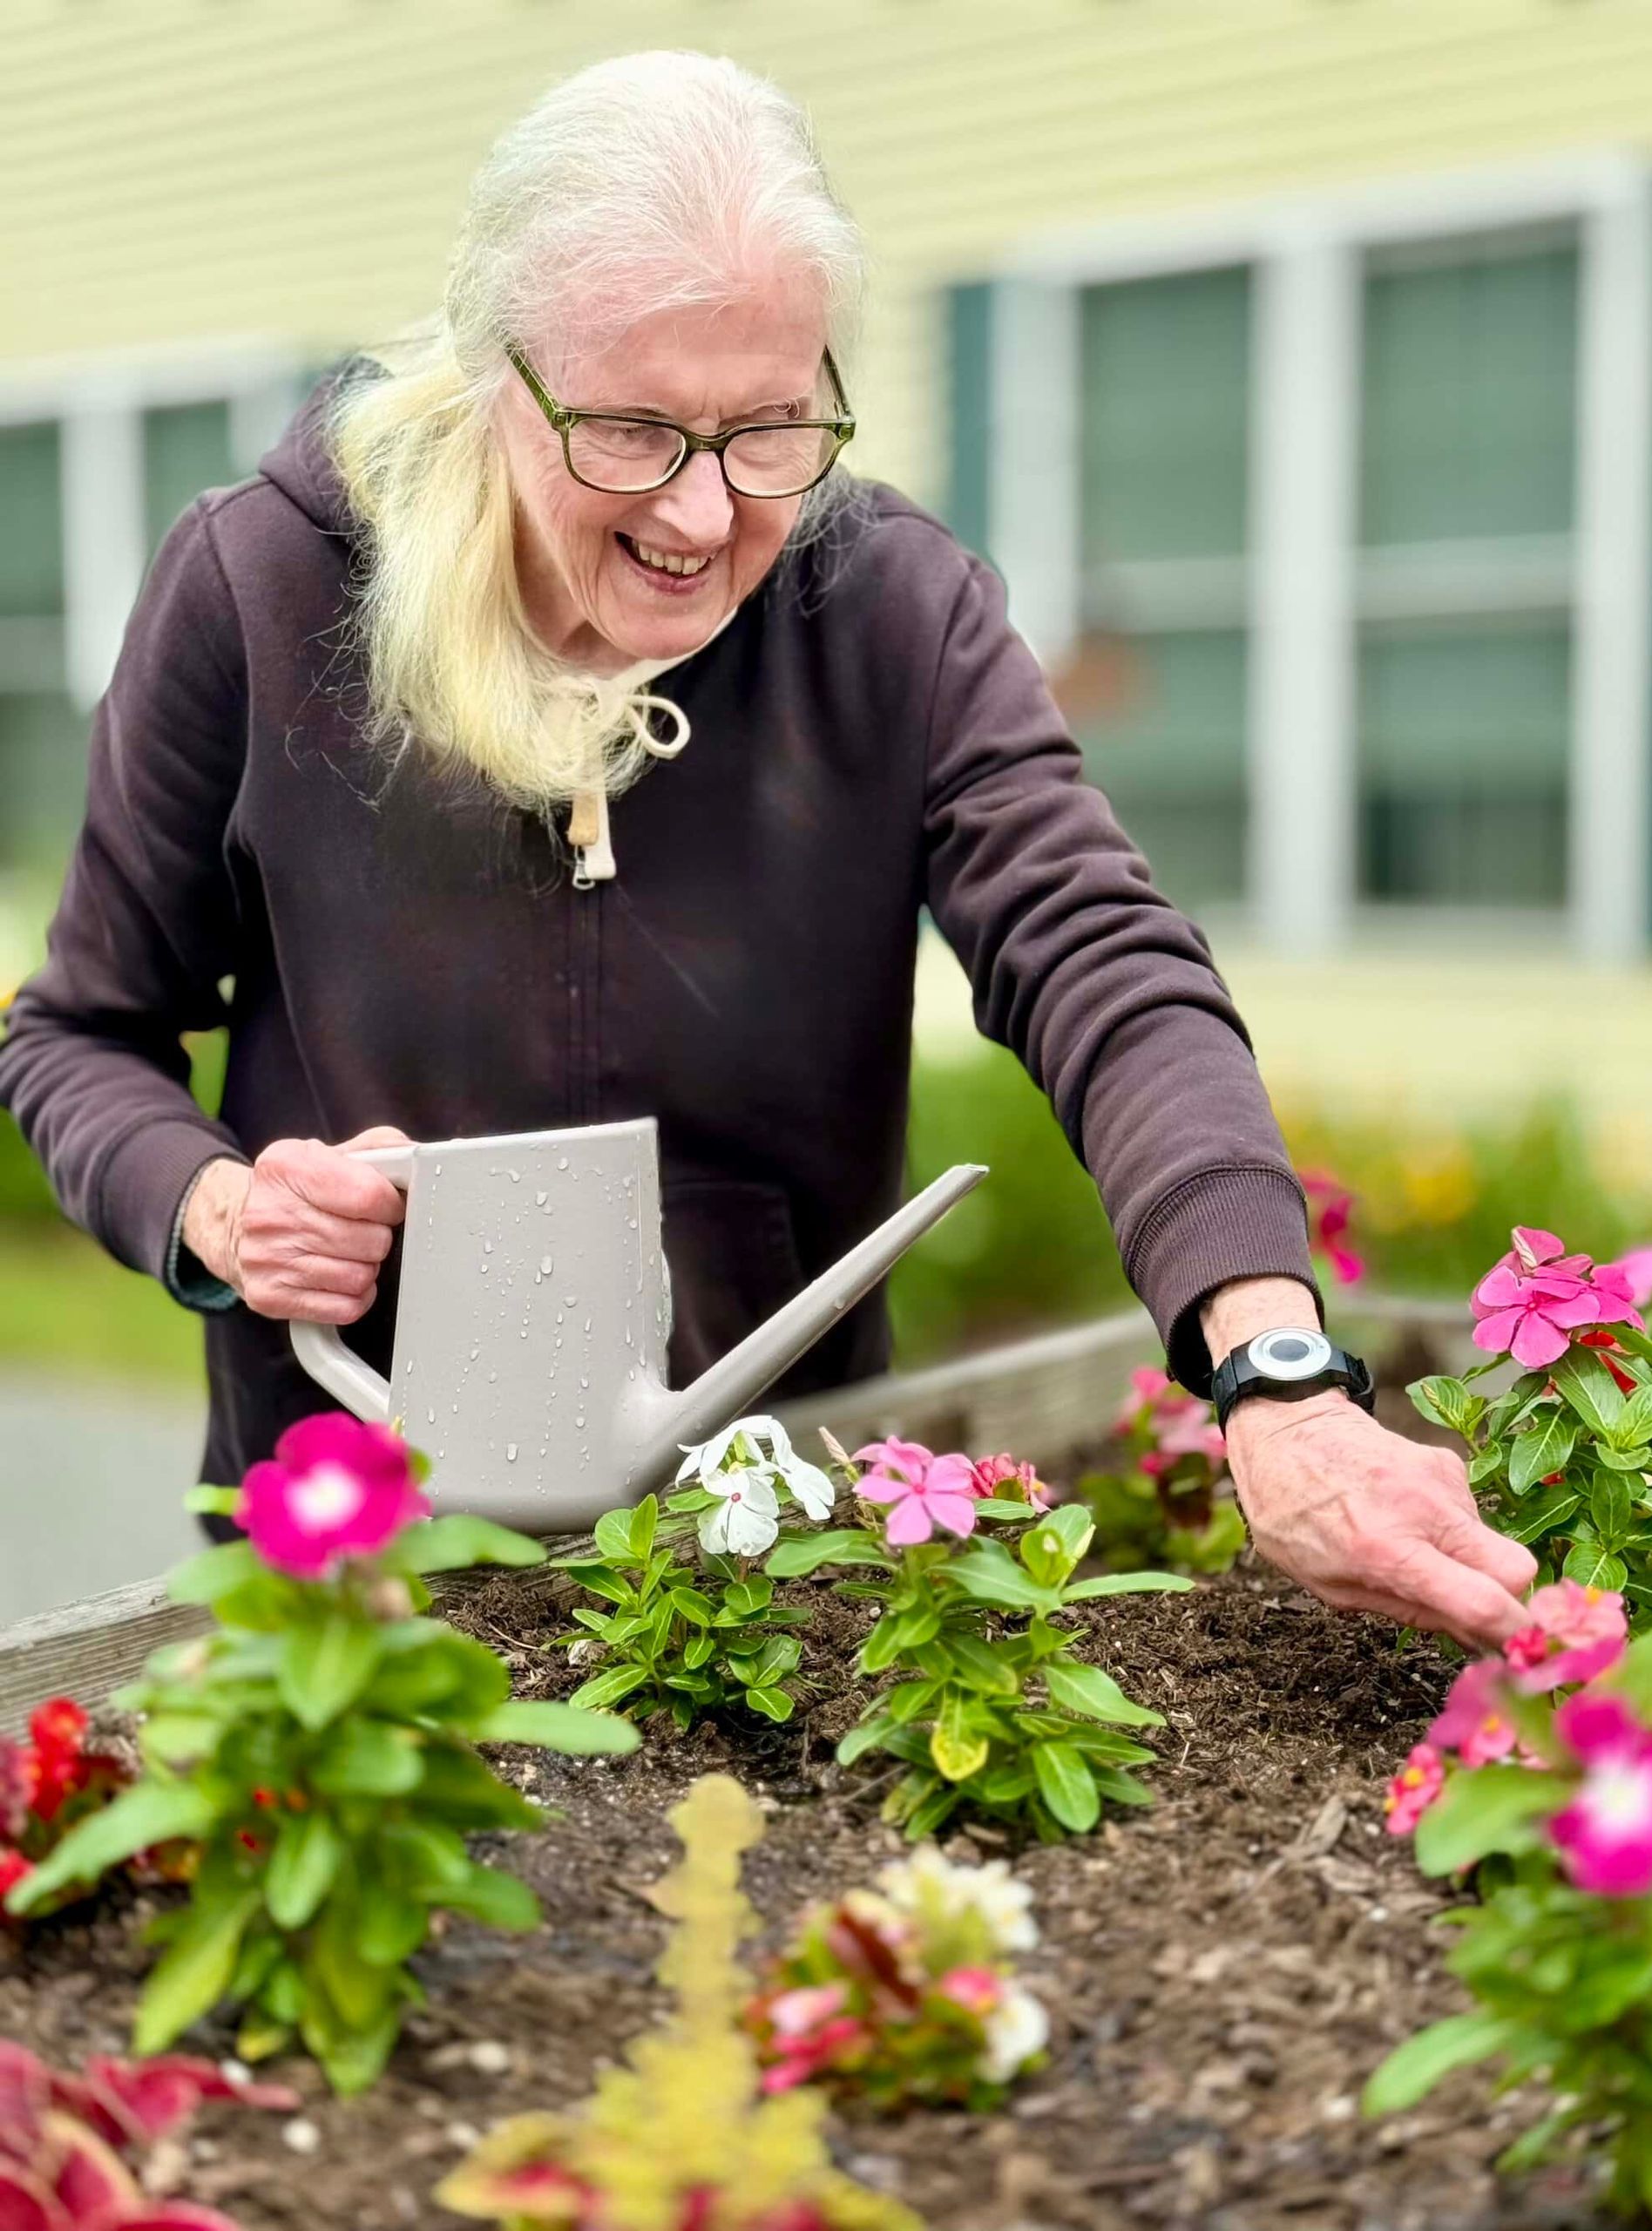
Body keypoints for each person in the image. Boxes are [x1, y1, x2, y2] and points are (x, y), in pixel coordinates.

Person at [0, 51, 1534, 1644]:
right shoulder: (261, 589)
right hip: (348, 1562)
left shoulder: (887, 611)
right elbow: (79, 1035)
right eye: (633, 432)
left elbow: (1104, 962)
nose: (704, 512)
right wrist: (222, 1208)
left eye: (771, 429)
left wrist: (1274, 1368)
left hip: (773, 1548)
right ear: (492, 368)